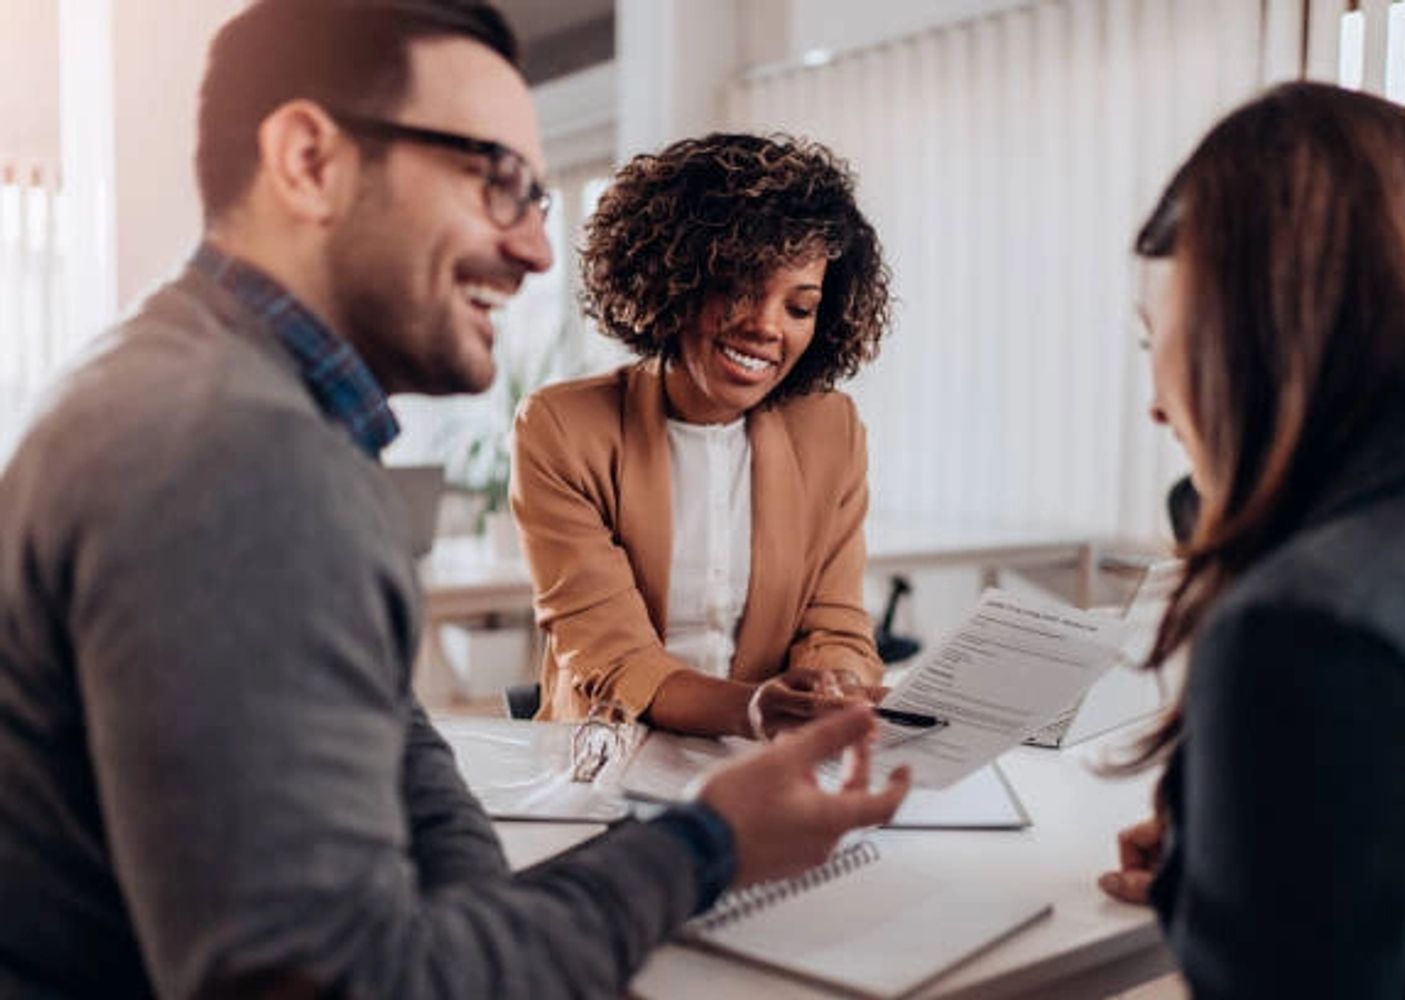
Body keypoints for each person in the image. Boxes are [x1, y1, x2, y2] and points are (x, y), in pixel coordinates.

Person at [0, 2, 909, 996]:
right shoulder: (234, 454)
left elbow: (395, 734)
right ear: (309, 160)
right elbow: (340, 982)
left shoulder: (204, 384)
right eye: (496, 183)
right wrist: (708, 846)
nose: (533, 252)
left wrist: (495, 902)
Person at [1097, 82, 1405, 996]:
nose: (1159, 402)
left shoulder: (1309, 628)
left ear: (1250, 333)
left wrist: (1218, 885)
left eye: (1159, 336)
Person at [510, 133, 893, 738]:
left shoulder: (831, 431)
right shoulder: (563, 429)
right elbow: (614, 660)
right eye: (741, 287)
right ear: (677, 279)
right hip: (605, 759)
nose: (767, 327)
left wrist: (831, 687)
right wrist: (753, 709)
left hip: (765, 762)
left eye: (799, 307)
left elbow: (835, 624)